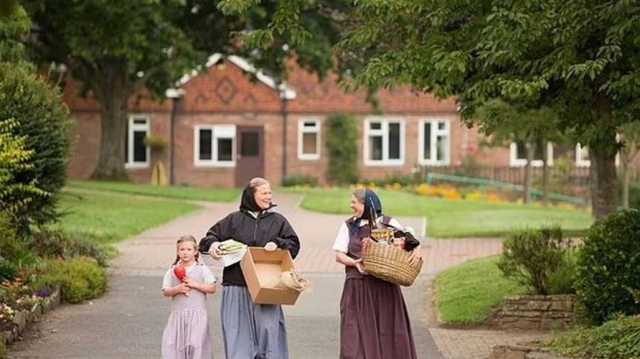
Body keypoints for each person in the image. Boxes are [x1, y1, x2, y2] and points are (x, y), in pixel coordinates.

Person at [199, 177, 300, 359]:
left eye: (270, 192)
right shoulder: (233, 220)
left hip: (267, 288)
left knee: (269, 334)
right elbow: (208, 238)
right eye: (264, 193)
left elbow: (294, 244)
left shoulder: (278, 221)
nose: (269, 196)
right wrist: (214, 246)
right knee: (237, 335)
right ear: (251, 195)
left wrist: (277, 244)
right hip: (236, 286)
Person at [333, 188, 422, 359]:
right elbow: (339, 255)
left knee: (388, 332)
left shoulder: (388, 223)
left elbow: (410, 241)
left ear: (366, 205)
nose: (351, 206)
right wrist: (354, 262)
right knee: (354, 335)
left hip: (385, 287)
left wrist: (417, 250)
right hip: (357, 286)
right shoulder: (349, 225)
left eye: (354, 202)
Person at [161, 235, 217, 359]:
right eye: (182, 250)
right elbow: (165, 291)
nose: (185, 253)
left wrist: (196, 284)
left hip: (197, 317)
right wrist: (177, 289)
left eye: (189, 249)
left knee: (195, 345)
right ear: (177, 252)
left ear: (195, 251)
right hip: (178, 316)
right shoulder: (172, 271)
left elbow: (212, 288)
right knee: (174, 345)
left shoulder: (202, 270)